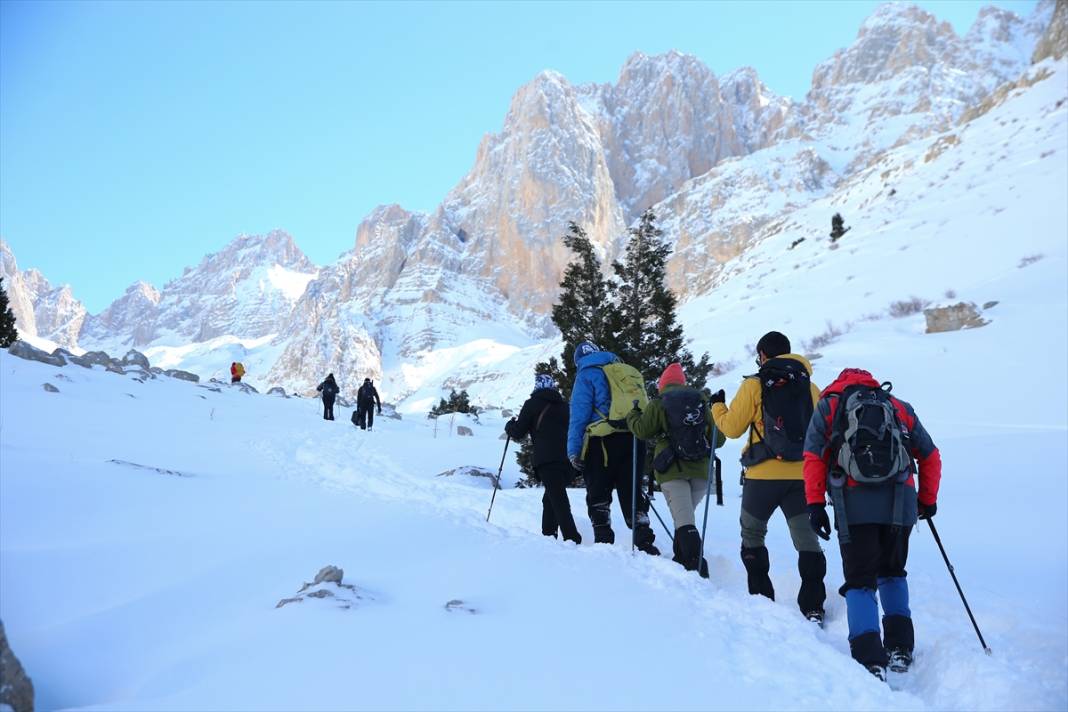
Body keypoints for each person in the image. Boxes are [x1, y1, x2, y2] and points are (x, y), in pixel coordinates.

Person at [803, 367, 942, 680]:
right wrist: (927, 500)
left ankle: (870, 658)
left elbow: (813, 456)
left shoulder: (829, 406)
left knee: (860, 580)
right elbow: (930, 456)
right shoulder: (898, 407)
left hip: (852, 505)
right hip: (900, 503)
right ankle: (900, 648)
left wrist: (814, 503)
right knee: (893, 572)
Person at [710, 331, 827, 623]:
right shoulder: (811, 388)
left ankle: (762, 599)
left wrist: (717, 407)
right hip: (801, 475)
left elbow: (732, 428)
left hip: (762, 475)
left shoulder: (754, 384)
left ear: (762, 355)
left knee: (752, 534)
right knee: (806, 540)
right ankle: (813, 606)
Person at [626, 362, 724, 575]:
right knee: (684, 518)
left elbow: (642, 431)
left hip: (671, 470)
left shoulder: (659, 402)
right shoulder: (701, 402)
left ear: (662, 384)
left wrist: (633, 416)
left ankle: (696, 569)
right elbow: (720, 439)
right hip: (701, 473)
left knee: (684, 521)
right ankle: (682, 561)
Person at [567, 341, 658, 555]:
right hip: (633, 439)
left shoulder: (586, 375)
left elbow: (578, 417)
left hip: (602, 443)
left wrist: (573, 450)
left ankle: (604, 542)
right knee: (632, 490)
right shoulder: (623, 370)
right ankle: (645, 542)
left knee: (598, 491)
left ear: (578, 360)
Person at [505, 374, 582, 544]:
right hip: (568, 460)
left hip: (547, 460)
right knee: (550, 498)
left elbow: (518, 432)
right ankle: (549, 536)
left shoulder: (532, 404)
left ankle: (572, 538)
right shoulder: (565, 406)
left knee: (558, 499)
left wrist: (509, 426)